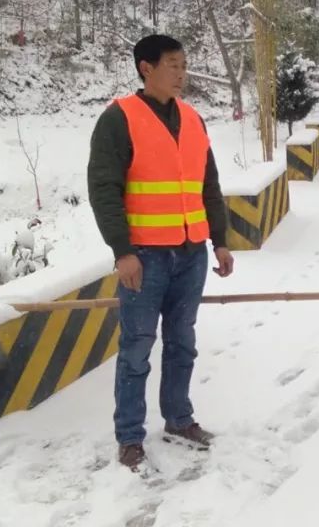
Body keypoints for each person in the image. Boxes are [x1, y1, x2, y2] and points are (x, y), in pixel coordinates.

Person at [86, 34, 235, 470]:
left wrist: (220, 240)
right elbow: (104, 189)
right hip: (145, 256)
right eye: (173, 64)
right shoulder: (119, 119)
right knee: (135, 348)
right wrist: (122, 250)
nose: (182, 72)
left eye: (184, 64)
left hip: (190, 254)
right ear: (146, 68)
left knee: (182, 342)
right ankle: (130, 436)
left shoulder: (193, 119)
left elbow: (209, 185)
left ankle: (178, 419)